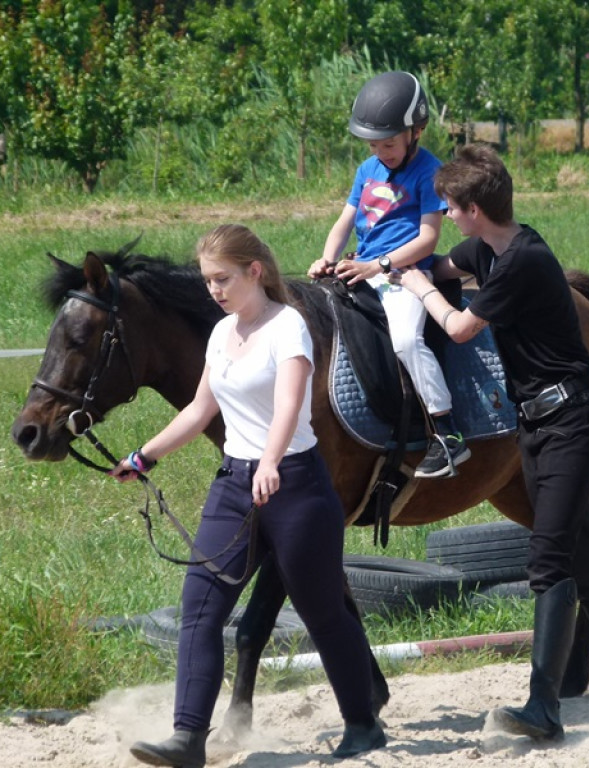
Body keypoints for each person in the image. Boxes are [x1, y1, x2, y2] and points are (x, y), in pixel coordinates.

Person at [399, 145, 589, 741]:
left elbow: (460, 324)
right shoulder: (487, 248)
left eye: (448, 207)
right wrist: (382, 267)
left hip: (572, 424)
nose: (444, 216)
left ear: (473, 208)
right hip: (537, 426)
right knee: (582, 562)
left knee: (548, 563)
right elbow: (444, 265)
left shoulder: (523, 259)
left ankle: (543, 709)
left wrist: (418, 288)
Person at [111, 224, 386, 765]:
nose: (214, 290)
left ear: (254, 272)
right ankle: (188, 738)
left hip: (297, 487)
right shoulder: (222, 333)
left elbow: (290, 406)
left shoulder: (290, 328)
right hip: (235, 487)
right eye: (208, 280)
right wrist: (144, 455)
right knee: (200, 610)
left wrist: (270, 460)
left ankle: (362, 723)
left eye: (223, 279)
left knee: (324, 613)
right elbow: (198, 410)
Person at [307, 70, 469, 479]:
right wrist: (326, 259)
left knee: (406, 340)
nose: (382, 152)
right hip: (362, 267)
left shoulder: (431, 173)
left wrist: (377, 265)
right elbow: (344, 222)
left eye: (390, 143)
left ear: (417, 131)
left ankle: (446, 432)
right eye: (374, 144)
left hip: (404, 274)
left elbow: (428, 240)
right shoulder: (367, 169)